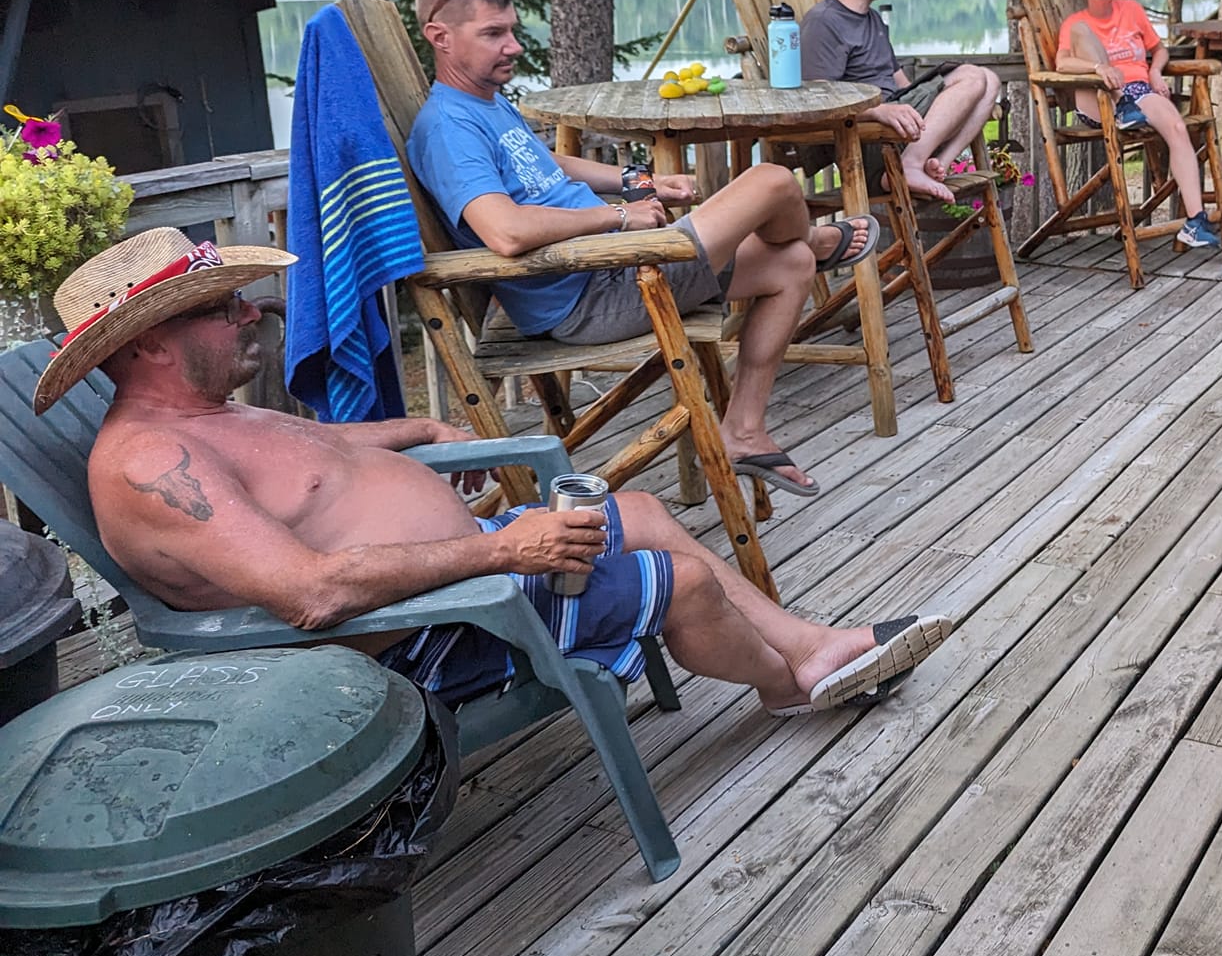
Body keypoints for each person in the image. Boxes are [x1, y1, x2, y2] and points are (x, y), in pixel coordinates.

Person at [34, 228, 950, 716]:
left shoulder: (205, 412)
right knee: (685, 582)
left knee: (636, 510)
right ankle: (786, 685)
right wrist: (504, 551)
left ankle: (810, 646)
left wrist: (419, 432)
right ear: (149, 343)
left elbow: (320, 457)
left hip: (457, 579)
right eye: (222, 307)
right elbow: (311, 594)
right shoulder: (152, 462)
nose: (252, 313)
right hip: (419, 636)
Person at [405, 0, 872, 497]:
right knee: (772, 182)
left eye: (512, 29)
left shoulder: (483, 103)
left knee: (791, 264)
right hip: (592, 291)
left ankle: (743, 431)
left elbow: (543, 164)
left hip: (618, 264)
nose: (513, 46)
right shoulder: (448, 128)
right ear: (440, 37)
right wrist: (620, 215)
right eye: (493, 34)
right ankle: (814, 235)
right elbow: (505, 231)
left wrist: (636, 181)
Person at [801, 0, 1002, 203]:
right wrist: (878, 111)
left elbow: (900, 82)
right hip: (867, 142)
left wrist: (933, 104)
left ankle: (935, 165)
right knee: (972, 77)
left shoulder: (871, 19)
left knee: (989, 80)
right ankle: (910, 166)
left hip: (899, 129)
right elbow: (817, 101)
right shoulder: (824, 22)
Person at [1054, 0, 1222, 250]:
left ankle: (1195, 222)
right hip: (1097, 97)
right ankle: (1123, 106)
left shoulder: (1131, 10)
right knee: (1089, 42)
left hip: (1139, 91)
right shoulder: (1075, 24)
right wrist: (1100, 68)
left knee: (1177, 128)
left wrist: (1156, 71)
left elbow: (1159, 49)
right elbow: (1063, 63)